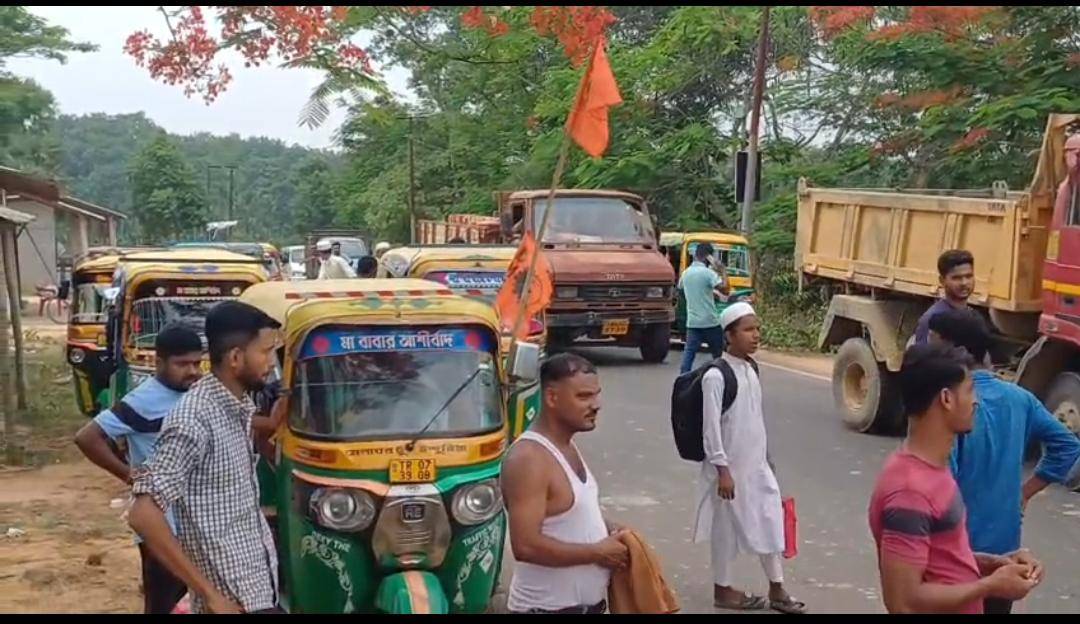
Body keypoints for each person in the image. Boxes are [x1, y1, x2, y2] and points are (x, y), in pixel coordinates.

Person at [128, 301, 286, 614]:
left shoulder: (235, 409)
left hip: (256, 592)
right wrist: (209, 595)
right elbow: (143, 515)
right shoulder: (193, 419)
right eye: (266, 352)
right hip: (231, 599)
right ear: (236, 358)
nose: (271, 363)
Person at [868, 343, 1043, 614]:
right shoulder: (911, 491)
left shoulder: (933, 471)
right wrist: (990, 587)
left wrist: (994, 564)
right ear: (947, 399)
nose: (976, 401)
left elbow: (937, 562)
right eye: (970, 390)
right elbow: (902, 602)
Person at [928, 310, 1077, 614]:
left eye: (931, 344)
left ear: (949, 348)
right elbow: (1068, 445)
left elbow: (941, 489)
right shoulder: (1019, 398)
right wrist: (1025, 493)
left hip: (955, 555)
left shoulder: (947, 404)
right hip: (1005, 555)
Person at [73, 325, 203, 614]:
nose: (192, 371)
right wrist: (128, 474)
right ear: (159, 363)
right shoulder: (142, 401)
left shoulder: (197, 393)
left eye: (197, 362)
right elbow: (87, 437)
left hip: (197, 523)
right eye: (182, 364)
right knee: (163, 603)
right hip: (161, 527)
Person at [691, 302, 806, 614]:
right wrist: (723, 471)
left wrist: (765, 458)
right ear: (729, 335)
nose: (755, 336)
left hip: (755, 466)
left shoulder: (752, 368)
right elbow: (710, 430)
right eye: (748, 330)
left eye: (757, 329)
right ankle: (723, 589)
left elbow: (754, 419)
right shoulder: (716, 376)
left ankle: (778, 588)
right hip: (728, 471)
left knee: (770, 521)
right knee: (726, 531)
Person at [502, 353, 630, 614]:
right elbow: (526, 545)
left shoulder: (567, 446)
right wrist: (596, 552)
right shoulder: (529, 458)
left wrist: (609, 530)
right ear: (551, 398)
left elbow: (565, 518)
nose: (596, 405)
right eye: (584, 397)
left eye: (596, 394)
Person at [678, 242, 731, 375]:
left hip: (693, 322)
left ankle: (682, 381)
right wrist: (723, 270)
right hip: (710, 322)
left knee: (688, 356)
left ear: (695, 255)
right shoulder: (708, 274)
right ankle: (723, 380)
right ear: (709, 257)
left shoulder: (685, 274)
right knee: (719, 356)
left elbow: (681, 291)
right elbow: (725, 290)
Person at [913, 250, 976, 344]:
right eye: (956, 278)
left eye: (968, 276)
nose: (964, 283)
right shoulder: (932, 320)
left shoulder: (972, 316)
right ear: (942, 280)